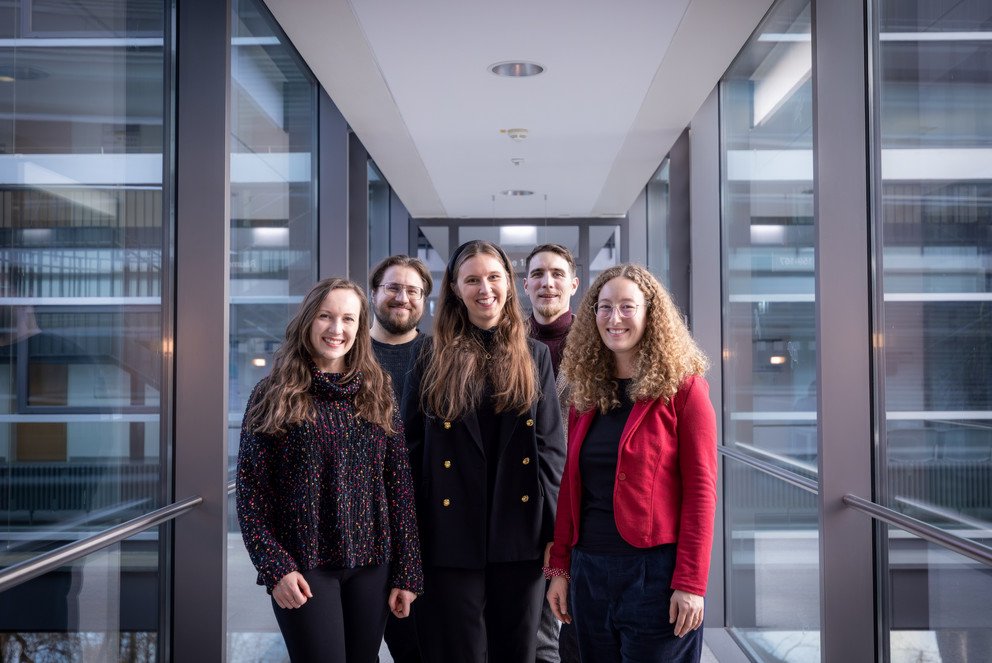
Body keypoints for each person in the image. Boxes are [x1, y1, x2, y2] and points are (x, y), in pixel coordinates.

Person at [236, 277, 423, 663]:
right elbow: (251, 493)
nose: (337, 328)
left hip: (373, 564)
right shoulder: (273, 393)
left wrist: (408, 571)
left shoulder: (378, 390)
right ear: (308, 320)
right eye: (326, 316)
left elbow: (399, 486)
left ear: (360, 327)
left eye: (348, 319)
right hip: (303, 566)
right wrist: (275, 568)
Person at [402, 239, 566, 663]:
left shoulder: (534, 354)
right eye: (472, 280)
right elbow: (410, 452)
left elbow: (551, 451)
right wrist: (409, 538)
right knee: (459, 653)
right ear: (456, 289)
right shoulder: (429, 354)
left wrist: (555, 535)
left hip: (521, 533)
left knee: (517, 651)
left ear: (509, 283)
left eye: (494, 277)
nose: (485, 289)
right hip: (448, 533)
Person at [545, 264, 717, 663]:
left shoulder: (685, 389)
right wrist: (561, 568)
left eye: (627, 306)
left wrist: (691, 583)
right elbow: (571, 486)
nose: (614, 317)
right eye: (604, 307)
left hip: (655, 575)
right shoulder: (587, 393)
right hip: (589, 571)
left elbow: (701, 493)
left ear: (650, 314)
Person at [368, 255, 433, 663]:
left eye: (413, 291)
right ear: (374, 292)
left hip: (424, 529)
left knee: (417, 647)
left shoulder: (440, 356)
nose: (402, 298)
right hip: (360, 523)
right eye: (393, 287)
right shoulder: (347, 351)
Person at [522, 243, 580, 663]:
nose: (548, 282)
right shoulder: (509, 343)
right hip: (526, 500)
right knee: (533, 625)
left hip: (583, 498)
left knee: (576, 623)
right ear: (525, 285)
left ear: (573, 284)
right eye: (538, 274)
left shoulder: (601, 341)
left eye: (557, 274)